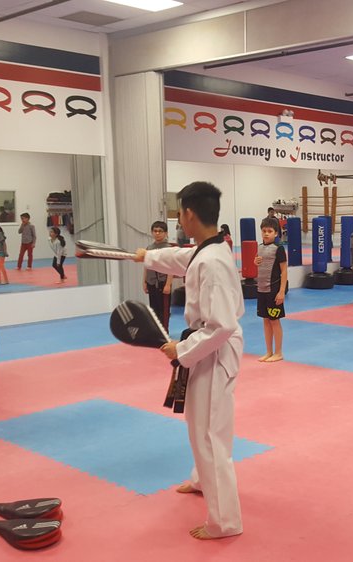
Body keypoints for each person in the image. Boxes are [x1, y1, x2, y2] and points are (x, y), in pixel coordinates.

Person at [135, 181, 244, 539]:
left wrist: (180, 350)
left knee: (210, 435)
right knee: (200, 425)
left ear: (189, 214)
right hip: (207, 348)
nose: (180, 219)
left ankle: (225, 521)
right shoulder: (209, 248)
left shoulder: (212, 262)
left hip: (213, 349)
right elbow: (182, 258)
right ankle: (201, 480)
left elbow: (222, 325)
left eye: (180, 213)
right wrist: (147, 256)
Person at [255, 217, 288, 362]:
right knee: (266, 320)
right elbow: (259, 263)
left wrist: (281, 291)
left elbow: (284, 271)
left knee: (274, 321)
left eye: (269, 231)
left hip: (273, 290)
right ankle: (269, 351)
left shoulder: (278, 248)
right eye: (264, 231)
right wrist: (255, 261)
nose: (266, 233)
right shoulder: (260, 247)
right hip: (261, 289)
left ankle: (278, 352)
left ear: (276, 233)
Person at [143, 221, 172, 331]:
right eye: (155, 231)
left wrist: (168, 284)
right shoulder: (149, 248)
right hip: (151, 282)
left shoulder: (168, 248)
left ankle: (164, 332)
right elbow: (146, 266)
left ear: (166, 233)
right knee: (153, 310)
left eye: (160, 231)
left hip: (163, 282)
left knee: (163, 310)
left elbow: (171, 267)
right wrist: (144, 281)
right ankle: (155, 331)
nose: (157, 233)